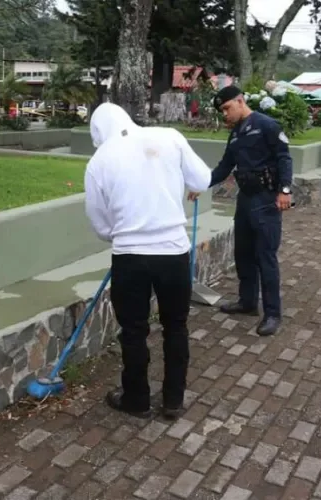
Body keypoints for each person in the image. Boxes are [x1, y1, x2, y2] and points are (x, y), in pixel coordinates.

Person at [84, 103, 212, 420]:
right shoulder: (169, 136)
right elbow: (202, 179)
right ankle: (173, 400)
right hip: (173, 252)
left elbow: (100, 225)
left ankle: (137, 399)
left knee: (133, 330)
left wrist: (126, 232)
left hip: (129, 256)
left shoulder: (99, 161)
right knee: (176, 326)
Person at [188, 86, 293, 337]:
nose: (225, 114)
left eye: (227, 108)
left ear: (240, 100)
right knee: (243, 254)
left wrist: (285, 190)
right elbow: (225, 166)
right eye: (221, 110)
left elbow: (284, 158)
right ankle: (247, 303)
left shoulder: (267, 125)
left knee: (265, 256)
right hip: (245, 200)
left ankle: (272, 314)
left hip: (266, 199)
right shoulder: (235, 133)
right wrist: (202, 184)